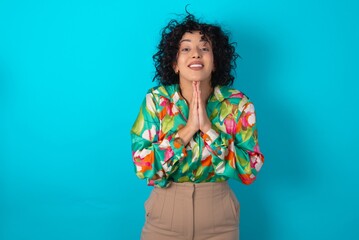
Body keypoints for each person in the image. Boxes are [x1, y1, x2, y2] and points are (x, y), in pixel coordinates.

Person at [130, 12, 264, 240]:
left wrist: (209, 130)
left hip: (219, 217)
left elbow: (250, 170)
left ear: (215, 62)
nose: (195, 54)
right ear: (174, 64)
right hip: (165, 215)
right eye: (185, 49)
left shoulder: (238, 104)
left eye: (204, 48)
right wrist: (188, 130)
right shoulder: (156, 101)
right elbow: (143, 167)